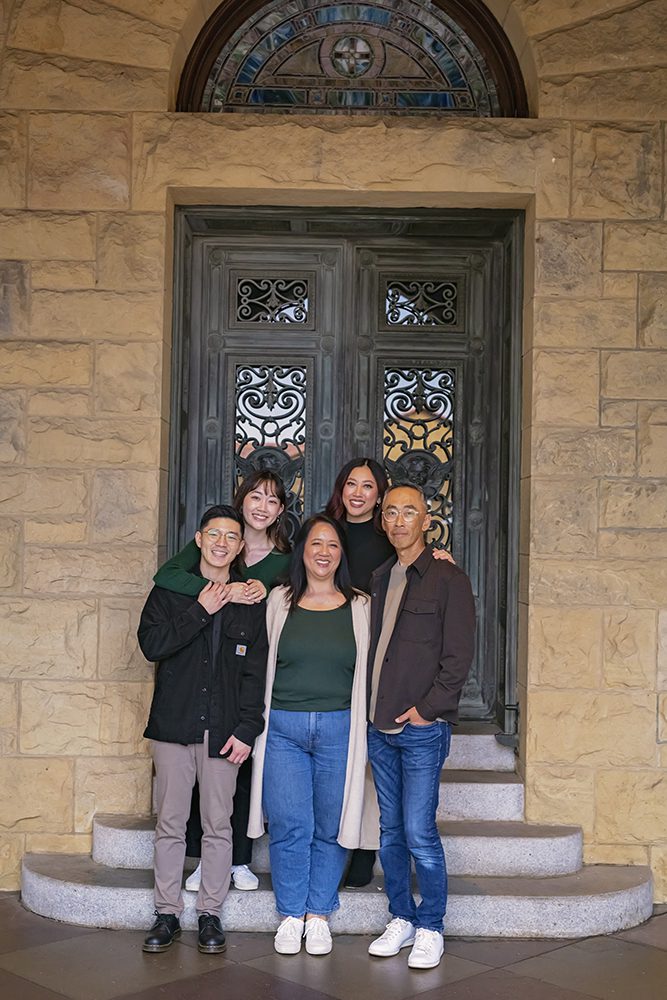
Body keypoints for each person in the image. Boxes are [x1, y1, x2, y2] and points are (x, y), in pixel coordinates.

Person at [138, 505, 268, 955]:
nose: (221, 542)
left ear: (239, 546)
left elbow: (255, 673)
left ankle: (210, 913)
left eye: (231, 536)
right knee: (170, 824)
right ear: (198, 539)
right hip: (174, 727)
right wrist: (200, 609)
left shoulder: (252, 603)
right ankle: (167, 913)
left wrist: (249, 729)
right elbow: (151, 645)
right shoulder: (170, 592)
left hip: (224, 731)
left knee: (218, 826)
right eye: (214, 534)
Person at [152, 470, 290, 892]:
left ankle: (237, 861)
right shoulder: (210, 548)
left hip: (253, 665)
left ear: (280, 510)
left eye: (271, 500)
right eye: (255, 496)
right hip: (197, 681)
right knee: (194, 784)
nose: (261, 506)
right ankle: (200, 869)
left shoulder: (285, 559)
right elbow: (167, 578)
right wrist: (221, 590)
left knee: (237, 770)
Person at [248, 514, 376, 957]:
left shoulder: (361, 605)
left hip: (341, 728)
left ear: (342, 555)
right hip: (282, 728)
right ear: (302, 550)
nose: (324, 552)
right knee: (288, 824)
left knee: (329, 825)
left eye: (333, 546)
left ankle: (318, 914)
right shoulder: (278, 601)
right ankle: (290, 914)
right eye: (316, 544)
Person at [325, 458, 453, 888]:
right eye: (351, 484)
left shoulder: (395, 547)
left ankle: (364, 853)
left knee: (394, 802)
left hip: (382, 668)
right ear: (341, 489)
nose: (358, 492)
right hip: (337, 654)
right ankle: (337, 844)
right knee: (342, 763)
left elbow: (451, 641)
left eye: (368, 486)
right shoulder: (322, 533)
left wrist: (428, 707)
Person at [366, 484, 475, 970]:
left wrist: (429, 709)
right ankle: (401, 917)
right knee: (390, 830)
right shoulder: (379, 576)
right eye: (390, 512)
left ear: (426, 520)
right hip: (378, 724)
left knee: (418, 829)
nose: (398, 520)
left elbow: (458, 657)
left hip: (421, 728)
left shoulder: (448, 578)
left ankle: (431, 925)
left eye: (408, 512)